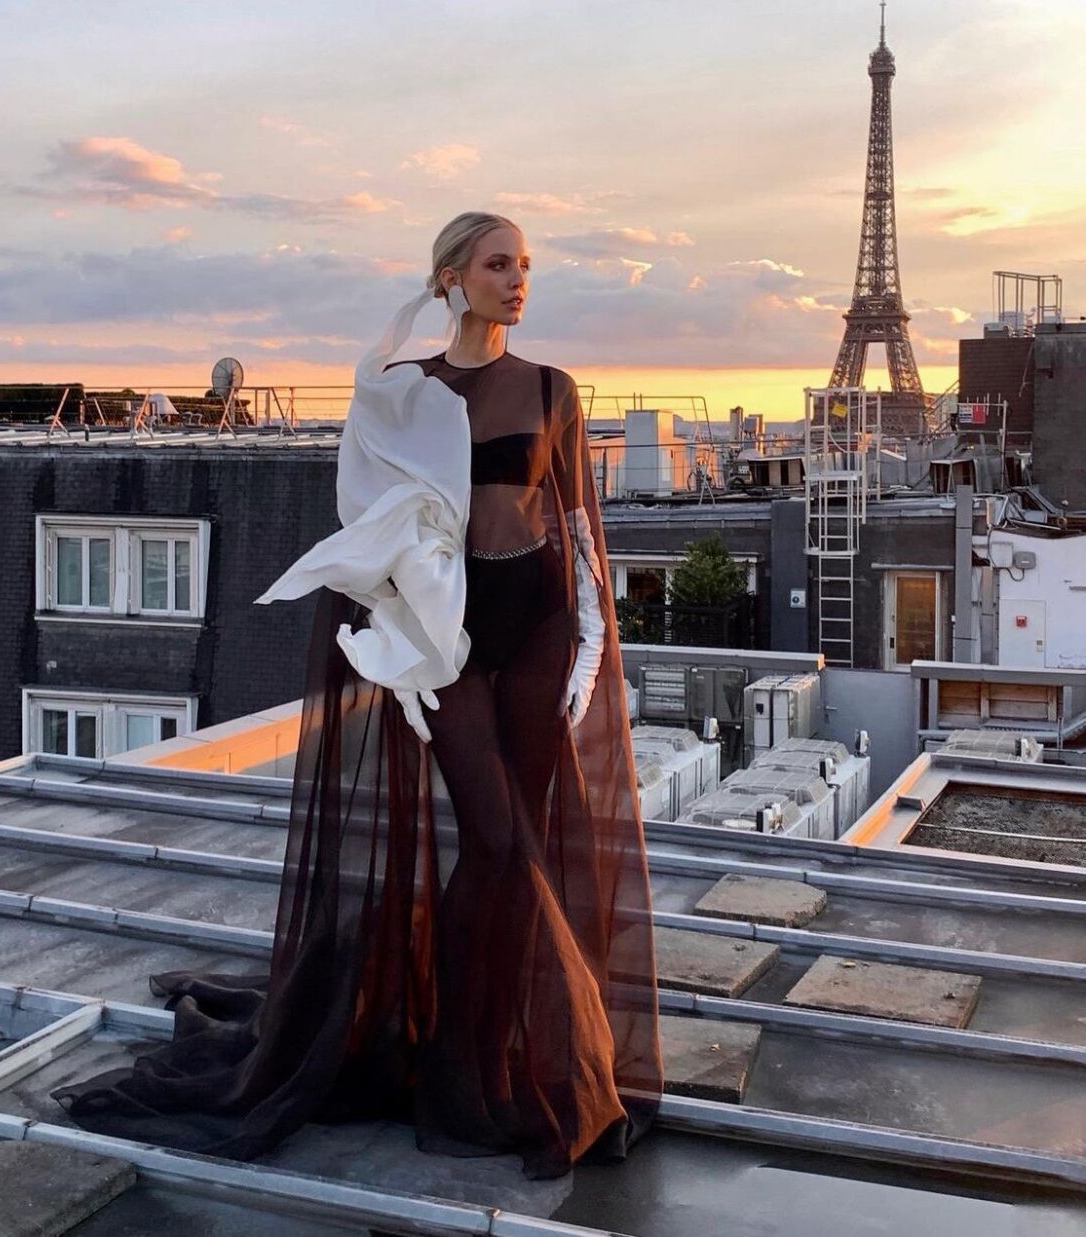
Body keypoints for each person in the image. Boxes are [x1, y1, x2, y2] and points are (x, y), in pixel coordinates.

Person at [53, 211, 663, 1182]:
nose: (518, 280)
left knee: (522, 846)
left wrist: (592, 645)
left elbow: (578, 525)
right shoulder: (401, 390)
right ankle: (466, 1065)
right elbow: (368, 521)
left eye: (526, 266)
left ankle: (497, 1043)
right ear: (452, 277)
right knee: (496, 838)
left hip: (541, 622)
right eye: (499, 264)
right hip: (447, 633)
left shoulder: (551, 387)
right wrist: (400, 650)